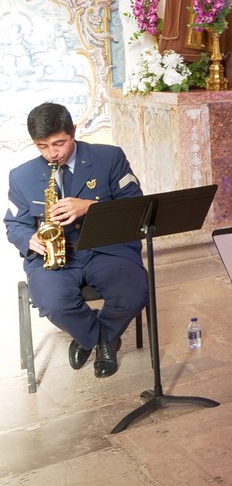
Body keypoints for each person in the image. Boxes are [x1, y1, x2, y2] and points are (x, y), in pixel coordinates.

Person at [5, 103, 147, 378]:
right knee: (53, 303)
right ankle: (101, 341)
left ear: (74, 131)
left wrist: (90, 206)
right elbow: (14, 224)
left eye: (59, 143)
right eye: (42, 146)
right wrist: (29, 239)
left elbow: (135, 206)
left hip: (108, 249)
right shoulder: (20, 176)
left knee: (133, 294)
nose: (52, 153)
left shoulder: (110, 157)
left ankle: (89, 339)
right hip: (55, 256)